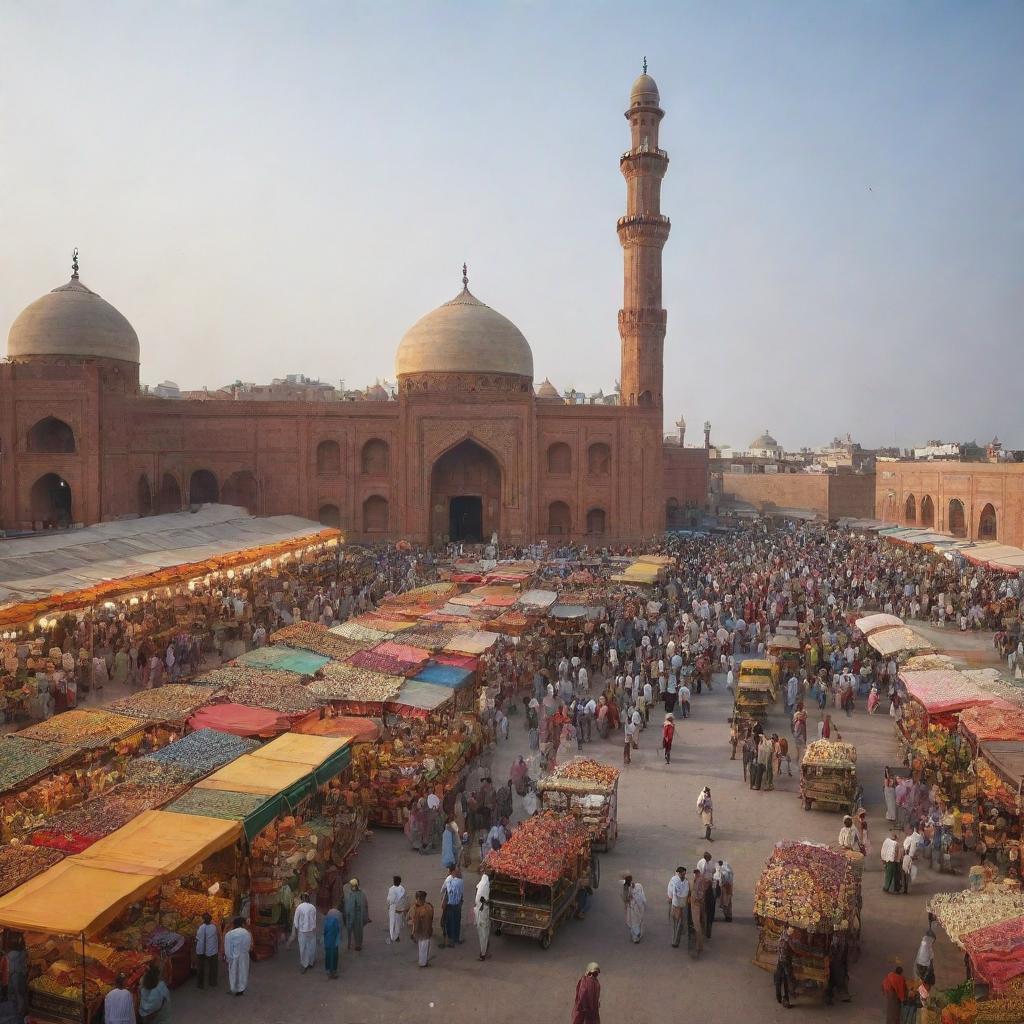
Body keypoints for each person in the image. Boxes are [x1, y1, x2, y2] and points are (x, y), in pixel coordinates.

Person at [223, 916, 252, 996]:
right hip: (244, 956)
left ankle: (233, 988)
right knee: (243, 972)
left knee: (233, 972)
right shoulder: (247, 933)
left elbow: (227, 948)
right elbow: (249, 946)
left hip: (233, 956)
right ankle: (241, 989)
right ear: (242, 924)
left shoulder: (229, 934)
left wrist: (228, 958)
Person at [289, 891, 317, 971]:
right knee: (311, 946)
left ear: (302, 899)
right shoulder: (312, 907)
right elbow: (314, 919)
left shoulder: (299, 907)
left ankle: (304, 964)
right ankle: (311, 962)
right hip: (311, 930)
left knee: (303, 947)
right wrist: (313, 927)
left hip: (302, 931)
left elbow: (295, 920)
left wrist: (296, 929)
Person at [408, 890, 434, 968]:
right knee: (424, 947)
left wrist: (413, 932)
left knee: (421, 947)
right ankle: (423, 963)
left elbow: (411, 920)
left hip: (421, 931)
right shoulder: (428, 907)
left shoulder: (414, 908)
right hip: (424, 931)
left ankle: (422, 961)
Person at [343, 878, 370, 951]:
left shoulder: (351, 894)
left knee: (353, 930)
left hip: (354, 915)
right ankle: (357, 944)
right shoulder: (361, 894)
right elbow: (365, 906)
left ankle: (353, 944)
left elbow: (348, 907)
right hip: (359, 915)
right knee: (358, 930)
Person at [440, 866, 464, 947]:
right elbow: (461, 894)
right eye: (457, 871)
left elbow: (442, 890)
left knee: (450, 922)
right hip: (457, 905)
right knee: (456, 921)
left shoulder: (448, 880)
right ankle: (456, 939)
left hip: (450, 905)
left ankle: (451, 940)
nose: (459, 872)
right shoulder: (460, 881)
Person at [194, 912, 219, 989]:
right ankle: (212, 982)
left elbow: (197, 939)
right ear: (211, 919)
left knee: (201, 968)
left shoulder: (201, 928)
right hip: (213, 950)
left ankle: (200, 984)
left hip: (201, 951)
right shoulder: (214, 927)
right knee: (213, 967)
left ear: (203, 919)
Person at [666, 866, 689, 947]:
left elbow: (686, 892)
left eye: (685, 874)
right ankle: (674, 941)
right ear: (679, 873)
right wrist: (670, 897)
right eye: (683, 874)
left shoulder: (686, 882)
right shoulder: (674, 880)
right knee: (675, 922)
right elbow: (670, 890)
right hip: (675, 904)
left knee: (679, 922)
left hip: (682, 905)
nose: (684, 875)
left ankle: (676, 941)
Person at [622, 873, 646, 943]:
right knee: (638, 920)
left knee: (633, 921)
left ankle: (635, 937)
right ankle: (638, 934)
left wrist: (626, 904)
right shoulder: (639, 885)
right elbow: (643, 896)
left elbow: (626, 899)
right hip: (639, 906)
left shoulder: (626, 888)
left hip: (632, 907)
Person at [475, 867, 491, 961]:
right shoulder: (484, 883)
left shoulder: (483, 883)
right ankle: (484, 952)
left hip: (482, 911)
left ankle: (483, 954)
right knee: (484, 933)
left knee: (483, 933)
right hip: (483, 911)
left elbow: (479, 899)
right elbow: (480, 899)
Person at [774, 926, 794, 1008]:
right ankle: (786, 999)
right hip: (786, 961)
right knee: (787, 979)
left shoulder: (782, 935)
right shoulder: (788, 939)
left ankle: (778, 996)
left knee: (778, 978)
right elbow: (794, 948)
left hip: (780, 960)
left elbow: (778, 947)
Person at [688, 869, 705, 956]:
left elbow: (701, 893)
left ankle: (699, 946)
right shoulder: (694, 880)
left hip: (696, 905)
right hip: (693, 904)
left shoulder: (700, 880)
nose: (694, 875)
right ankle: (698, 944)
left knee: (697, 925)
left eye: (696, 873)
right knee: (696, 924)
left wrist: (696, 899)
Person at [386, 875, 407, 944]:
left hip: (395, 909)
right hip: (396, 909)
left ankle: (394, 937)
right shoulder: (402, 889)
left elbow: (389, 900)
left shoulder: (392, 889)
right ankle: (394, 936)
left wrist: (389, 906)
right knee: (396, 923)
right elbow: (403, 900)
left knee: (394, 923)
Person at [323, 907, 342, 979]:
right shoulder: (336, 921)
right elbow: (338, 931)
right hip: (334, 942)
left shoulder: (326, 921)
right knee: (334, 957)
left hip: (328, 942)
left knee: (328, 956)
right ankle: (333, 971)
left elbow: (324, 932)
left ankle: (328, 971)